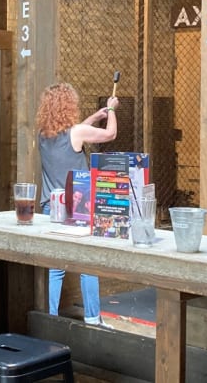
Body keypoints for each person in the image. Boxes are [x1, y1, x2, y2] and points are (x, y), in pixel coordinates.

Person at [36, 82, 119, 327]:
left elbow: (75, 132)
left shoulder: (43, 134)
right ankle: (93, 318)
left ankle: (50, 318)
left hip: (52, 207)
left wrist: (94, 117)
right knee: (87, 264)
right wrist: (111, 110)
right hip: (77, 207)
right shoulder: (77, 133)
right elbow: (109, 135)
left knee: (54, 267)